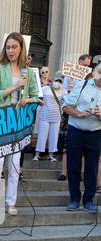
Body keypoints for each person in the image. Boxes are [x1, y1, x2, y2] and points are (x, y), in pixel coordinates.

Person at [0, 32, 38, 217]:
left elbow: (35, 96)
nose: (11, 50)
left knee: (14, 164)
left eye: (14, 47)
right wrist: (15, 87)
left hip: (17, 123)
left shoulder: (28, 72)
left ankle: (10, 202)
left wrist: (28, 100)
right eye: (8, 47)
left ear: (21, 48)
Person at [63, 63, 101, 214]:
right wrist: (79, 113)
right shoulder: (82, 85)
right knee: (73, 166)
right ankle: (74, 199)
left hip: (96, 133)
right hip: (76, 131)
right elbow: (65, 105)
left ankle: (88, 200)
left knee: (92, 168)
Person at [33, 72, 66, 162]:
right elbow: (35, 94)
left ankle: (51, 155)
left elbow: (67, 102)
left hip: (56, 116)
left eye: (60, 80)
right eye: (57, 80)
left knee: (54, 136)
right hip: (45, 115)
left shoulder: (64, 91)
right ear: (54, 79)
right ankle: (37, 154)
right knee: (42, 135)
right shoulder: (46, 88)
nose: (58, 82)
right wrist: (40, 102)